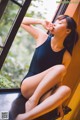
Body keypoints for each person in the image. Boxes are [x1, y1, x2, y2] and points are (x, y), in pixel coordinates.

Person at [15, 15, 78, 120]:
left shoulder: (66, 55)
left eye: (60, 23)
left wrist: (58, 103)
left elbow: (58, 81)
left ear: (67, 31)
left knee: (66, 90)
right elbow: (20, 20)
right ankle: (33, 100)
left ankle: (25, 117)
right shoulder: (42, 37)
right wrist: (41, 21)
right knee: (60, 69)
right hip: (29, 86)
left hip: (45, 94)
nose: (55, 23)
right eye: (56, 21)